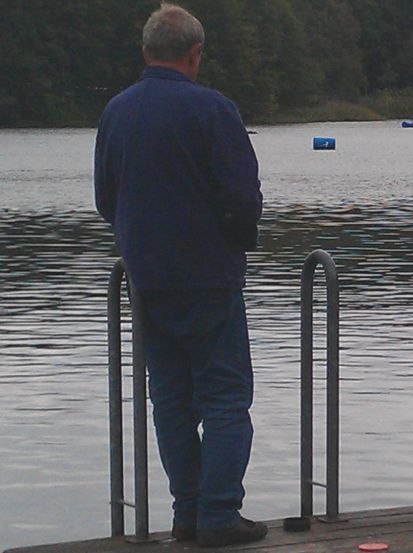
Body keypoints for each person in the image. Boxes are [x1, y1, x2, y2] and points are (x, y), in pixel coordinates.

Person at [94, 3, 266, 547]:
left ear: (146, 52)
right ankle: (218, 514)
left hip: (146, 278)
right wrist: (238, 242)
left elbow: (105, 200)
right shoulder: (213, 109)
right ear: (194, 54)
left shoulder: (116, 113)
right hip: (209, 278)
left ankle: (187, 513)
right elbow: (242, 197)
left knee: (169, 399)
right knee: (225, 397)